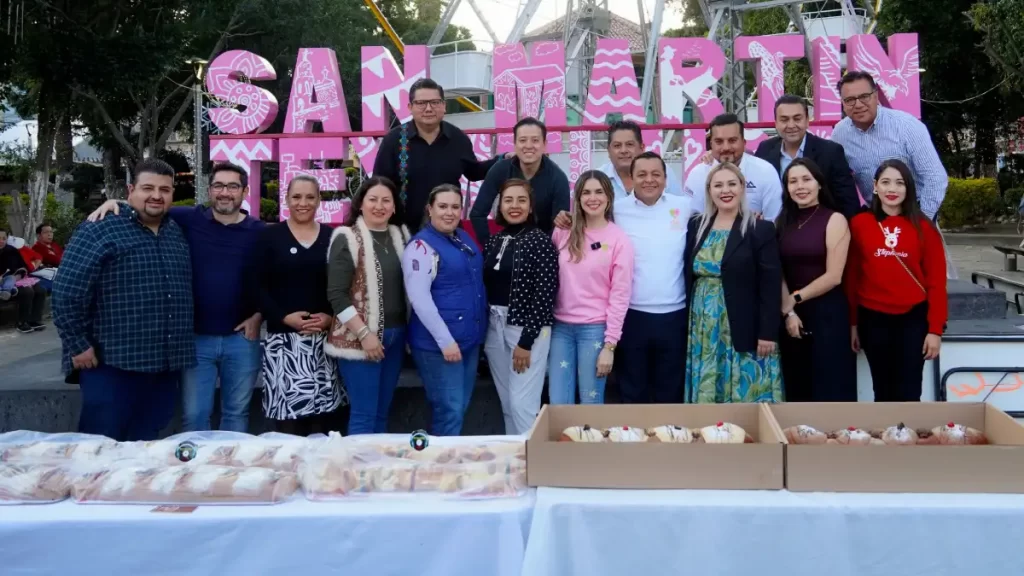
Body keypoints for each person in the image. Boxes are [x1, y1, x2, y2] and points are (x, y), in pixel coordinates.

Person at [90, 162, 265, 433]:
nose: (225, 192)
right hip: (194, 340)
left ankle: (230, 472)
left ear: (245, 191)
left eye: (233, 186)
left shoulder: (260, 231)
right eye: (219, 185)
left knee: (236, 414)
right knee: (195, 415)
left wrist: (258, 315)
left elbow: (274, 279)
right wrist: (115, 202)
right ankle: (193, 473)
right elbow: (150, 204)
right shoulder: (189, 219)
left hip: (242, 340)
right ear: (210, 190)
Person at [52, 159, 193, 441]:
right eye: (148, 188)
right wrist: (77, 345)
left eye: (164, 189)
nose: (156, 195)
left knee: (147, 444)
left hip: (163, 364)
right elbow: (66, 291)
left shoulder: (176, 231)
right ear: (131, 190)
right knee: (101, 445)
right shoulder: (100, 228)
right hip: (111, 364)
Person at [846, 159, 947, 402]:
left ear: (908, 188)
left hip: (912, 318)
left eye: (899, 183)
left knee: (910, 388)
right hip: (872, 317)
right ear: (874, 187)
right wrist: (853, 324)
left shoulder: (924, 227)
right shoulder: (859, 224)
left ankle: (907, 437)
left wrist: (935, 330)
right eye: (886, 182)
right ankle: (887, 438)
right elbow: (851, 277)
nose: (892, 189)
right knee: (882, 388)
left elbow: (936, 283)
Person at [684, 162, 783, 404]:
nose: (725, 190)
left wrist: (767, 333)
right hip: (704, 325)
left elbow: (770, 284)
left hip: (743, 325)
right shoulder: (697, 226)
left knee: (746, 392)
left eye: (731, 184)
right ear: (709, 190)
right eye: (718, 185)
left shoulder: (760, 229)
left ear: (742, 188)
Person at [257, 175, 344, 435]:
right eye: (296, 197)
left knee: (322, 421)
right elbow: (256, 287)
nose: (302, 203)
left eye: (309, 197)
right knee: (288, 425)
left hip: (323, 344)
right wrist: (284, 317)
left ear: (319, 200)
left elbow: (346, 287)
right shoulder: (269, 237)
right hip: (283, 345)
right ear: (286, 199)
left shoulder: (333, 238)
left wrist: (331, 318)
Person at [326, 176, 410, 435]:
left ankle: (377, 472)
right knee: (364, 414)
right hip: (359, 338)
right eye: (372, 199)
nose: (379, 206)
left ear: (394, 207)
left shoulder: (402, 236)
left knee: (382, 413)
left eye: (387, 200)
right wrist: (364, 334)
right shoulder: (347, 238)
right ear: (360, 203)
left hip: (396, 338)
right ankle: (357, 474)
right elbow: (337, 295)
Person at [402, 184, 487, 435]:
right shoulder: (420, 247)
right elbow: (419, 298)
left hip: (468, 341)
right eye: (442, 206)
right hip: (439, 346)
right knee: (448, 410)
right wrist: (445, 341)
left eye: (455, 207)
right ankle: (439, 468)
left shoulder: (462, 237)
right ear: (430, 209)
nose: (449, 212)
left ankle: (447, 461)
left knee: (458, 408)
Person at [373, 78, 502, 233]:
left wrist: (503, 160)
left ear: (444, 106)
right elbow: (379, 185)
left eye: (435, 102)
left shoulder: (458, 139)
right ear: (410, 107)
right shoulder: (394, 141)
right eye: (421, 103)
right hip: (403, 231)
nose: (428, 108)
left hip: (448, 229)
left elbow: (474, 172)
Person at [548, 171, 633, 405]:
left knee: (590, 405)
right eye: (586, 192)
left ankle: (590, 443)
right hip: (560, 330)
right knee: (558, 404)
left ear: (609, 197)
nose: (592, 198)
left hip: (595, 331)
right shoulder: (562, 231)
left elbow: (620, 295)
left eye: (599, 192)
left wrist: (610, 346)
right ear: (577, 198)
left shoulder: (619, 239)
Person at [481, 179, 559, 435]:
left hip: (527, 329)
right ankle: (515, 464)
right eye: (508, 200)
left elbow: (545, 294)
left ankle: (536, 470)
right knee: (506, 402)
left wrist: (526, 342)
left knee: (522, 403)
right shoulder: (494, 241)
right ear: (500, 205)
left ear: (530, 206)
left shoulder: (541, 242)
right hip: (495, 327)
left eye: (521, 200)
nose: (514, 206)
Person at [777, 158, 856, 402]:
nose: (800, 186)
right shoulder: (781, 222)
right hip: (791, 318)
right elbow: (776, 269)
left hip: (828, 315)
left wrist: (795, 298)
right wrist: (789, 312)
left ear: (819, 184)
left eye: (806, 179)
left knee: (830, 388)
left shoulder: (835, 220)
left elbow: (834, 276)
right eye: (793, 181)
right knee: (797, 387)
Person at [831, 72, 947, 221]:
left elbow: (935, 177)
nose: (858, 104)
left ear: (876, 95)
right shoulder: (840, 134)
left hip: (915, 214)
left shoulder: (907, 126)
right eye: (850, 100)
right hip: (875, 220)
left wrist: (921, 220)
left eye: (864, 96)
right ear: (843, 103)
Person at [754, 95, 861, 218]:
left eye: (797, 118)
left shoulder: (830, 152)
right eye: (784, 119)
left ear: (807, 121)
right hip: (776, 229)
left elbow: (848, 203)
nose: (791, 125)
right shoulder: (765, 149)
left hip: (820, 229)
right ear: (776, 123)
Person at [470, 117, 570, 245]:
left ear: (544, 145)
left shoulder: (558, 178)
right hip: (507, 244)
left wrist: (544, 252)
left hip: (542, 249)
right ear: (515, 144)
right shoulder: (500, 169)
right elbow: (478, 213)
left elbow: (560, 226)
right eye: (522, 140)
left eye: (535, 140)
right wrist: (490, 246)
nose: (529, 146)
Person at [685, 114, 784, 221]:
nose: (726, 147)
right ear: (711, 144)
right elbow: (691, 220)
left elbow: (774, 220)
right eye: (719, 141)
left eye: (732, 140)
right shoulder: (698, 174)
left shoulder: (765, 172)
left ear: (744, 142)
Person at [599, 120, 683, 199]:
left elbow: (679, 207)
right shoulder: (598, 178)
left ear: (642, 148)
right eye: (617, 146)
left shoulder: (663, 171)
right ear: (609, 151)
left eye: (629, 144)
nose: (623, 150)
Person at [0, 230, 46, 334]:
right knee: (27, 292)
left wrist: (18, 275)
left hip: (18, 277)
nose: (1, 241)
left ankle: (34, 320)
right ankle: (22, 322)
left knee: (40, 290)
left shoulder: (11, 250)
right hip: (3, 282)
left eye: (4, 238)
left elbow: (22, 266)